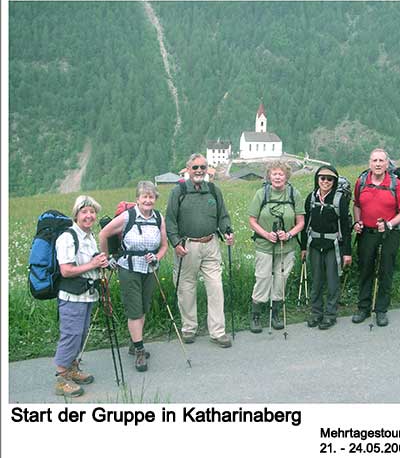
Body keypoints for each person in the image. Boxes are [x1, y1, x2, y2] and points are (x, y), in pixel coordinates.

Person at [165, 153, 234, 348]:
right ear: (188, 169)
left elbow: (223, 216)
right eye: (195, 167)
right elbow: (170, 219)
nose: (199, 171)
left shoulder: (213, 190)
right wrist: (176, 243)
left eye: (203, 167)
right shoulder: (178, 191)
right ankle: (189, 329)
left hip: (211, 244)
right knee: (186, 288)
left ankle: (218, 332)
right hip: (187, 246)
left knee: (216, 287)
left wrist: (227, 231)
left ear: (206, 170)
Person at [99, 181, 168, 371]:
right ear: (137, 199)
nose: (148, 200)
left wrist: (157, 257)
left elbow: (164, 246)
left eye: (151, 197)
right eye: (144, 196)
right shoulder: (127, 217)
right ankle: (139, 351)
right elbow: (104, 234)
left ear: (155, 199)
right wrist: (105, 258)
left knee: (144, 307)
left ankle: (134, 343)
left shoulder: (158, 218)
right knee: (135, 310)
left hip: (149, 268)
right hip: (128, 268)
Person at [54, 195, 108, 397]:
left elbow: (87, 263)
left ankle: (72, 368)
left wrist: (99, 261)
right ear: (76, 214)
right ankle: (61, 377)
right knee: (71, 335)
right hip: (71, 295)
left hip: (86, 294)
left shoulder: (89, 236)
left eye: (92, 212)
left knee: (81, 334)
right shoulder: (68, 237)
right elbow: (66, 270)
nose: (89, 216)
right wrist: (93, 264)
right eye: (84, 212)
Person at [352, 149, 400, 327]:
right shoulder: (361, 181)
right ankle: (363, 307)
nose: (378, 164)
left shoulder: (396, 183)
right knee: (366, 269)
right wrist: (357, 221)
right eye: (374, 160)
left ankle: (381, 310)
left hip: (389, 233)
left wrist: (390, 224)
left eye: (381, 161)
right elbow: (356, 205)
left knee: (385, 270)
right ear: (370, 163)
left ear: (387, 164)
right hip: (367, 232)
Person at [248, 159, 305, 333]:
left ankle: (276, 314)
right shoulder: (261, 194)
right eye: (274, 173)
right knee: (263, 278)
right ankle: (256, 316)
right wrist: (266, 234)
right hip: (264, 245)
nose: (278, 177)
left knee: (281, 279)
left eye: (281, 174)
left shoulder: (294, 194)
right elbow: (252, 220)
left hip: (286, 246)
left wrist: (288, 234)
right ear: (269, 176)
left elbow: (301, 222)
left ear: (286, 176)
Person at [300, 165, 352, 329]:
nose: (325, 181)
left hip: (332, 246)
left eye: (330, 179)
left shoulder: (339, 200)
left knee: (332, 281)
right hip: (314, 244)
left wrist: (347, 253)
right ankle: (316, 313)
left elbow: (345, 227)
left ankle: (330, 315)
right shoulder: (311, 198)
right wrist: (303, 247)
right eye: (322, 178)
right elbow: (305, 223)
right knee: (316, 281)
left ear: (334, 181)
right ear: (317, 179)